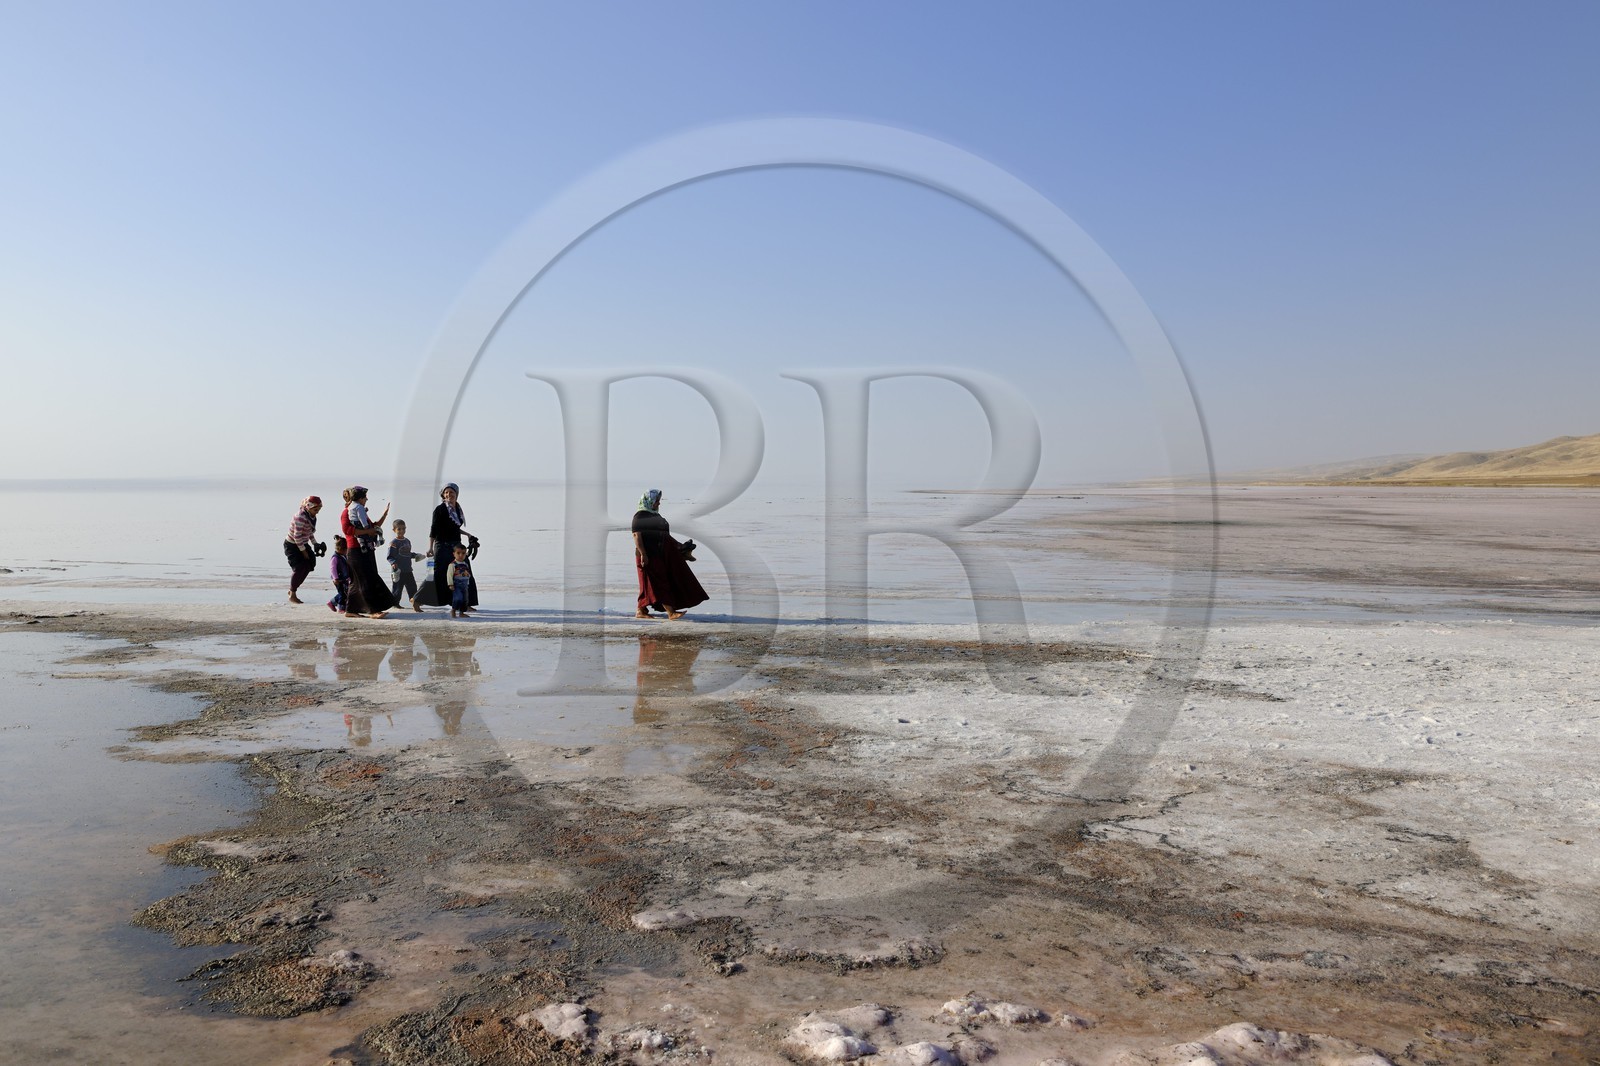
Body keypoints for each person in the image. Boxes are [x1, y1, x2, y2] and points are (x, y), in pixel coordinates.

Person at [631, 489, 708, 620]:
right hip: (647, 555)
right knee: (660, 582)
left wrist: (680, 548)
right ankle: (671, 612)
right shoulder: (640, 517)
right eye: (656, 501)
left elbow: (665, 536)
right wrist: (644, 554)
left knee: (648, 584)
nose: (659, 504)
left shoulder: (654, 515)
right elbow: (636, 535)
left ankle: (641, 610)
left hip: (659, 554)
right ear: (649, 501)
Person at [339, 486, 396, 618]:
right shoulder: (346, 512)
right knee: (366, 579)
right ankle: (373, 611)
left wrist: (385, 514)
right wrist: (368, 532)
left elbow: (373, 527)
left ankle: (351, 610)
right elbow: (347, 530)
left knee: (359, 581)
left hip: (366, 549)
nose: (367, 499)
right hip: (355, 550)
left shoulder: (360, 511)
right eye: (365, 497)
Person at [428, 482, 479, 611]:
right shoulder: (440, 509)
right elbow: (434, 530)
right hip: (442, 545)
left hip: (456, 546)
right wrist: (430, 548)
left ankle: (465, 603)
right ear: (443, 495)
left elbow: (454, 528)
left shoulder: (457, 509)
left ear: (456, 494)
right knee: (439, 575)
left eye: (451, 492)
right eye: (446, 493)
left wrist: (468, 534)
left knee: (464, 573)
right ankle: (418, 599)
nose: (449, 495)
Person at [283, 495, 322, 604]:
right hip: (293, 545)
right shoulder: (300, 517)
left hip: (303, 543)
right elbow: (297, 537)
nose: (317, 512)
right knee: (299, 568)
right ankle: (292, 593)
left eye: (318, 510)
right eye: (315, 509)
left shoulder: (311, 516)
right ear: (308, 507)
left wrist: (315, 543)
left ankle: (293, 588)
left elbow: (309, 532)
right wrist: (304, 552)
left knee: (310, 565)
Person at [387, 519, 423, 612]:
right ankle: (395, 604)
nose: (402, 531)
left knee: (412, 586)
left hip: (408, 569)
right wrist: (393, 563)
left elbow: (408, 553)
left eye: (403, 529)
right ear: (394, 530)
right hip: (398, 571)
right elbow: (390, 556)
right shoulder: (394, 543)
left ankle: (414, 601)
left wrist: (415, 555)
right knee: (397, 588)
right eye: (399, 529)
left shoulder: (407, 541)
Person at [447, 544, 474, 618]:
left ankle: (461, 612)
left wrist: (467, 583)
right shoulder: (452, 565)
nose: (461, 555)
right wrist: (450, 584)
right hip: (456, 585)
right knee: (458, 598)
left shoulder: (465, 564)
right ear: (454, 554)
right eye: (458, 553)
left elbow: (467, 574)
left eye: (463, 553)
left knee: (465, 600)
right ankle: (453, 610)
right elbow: (449, 575)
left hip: (465, 585)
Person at [328, 536, 352, 613]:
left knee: (346, 592)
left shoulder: (343, 556)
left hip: (344, 578)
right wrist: (335, 578)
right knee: (342, 593)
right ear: (341, 549)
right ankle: (341, 608)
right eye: (346, 550)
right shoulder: (335, 558)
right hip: (338, 579)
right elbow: (333, 568)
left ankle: (332, 602)